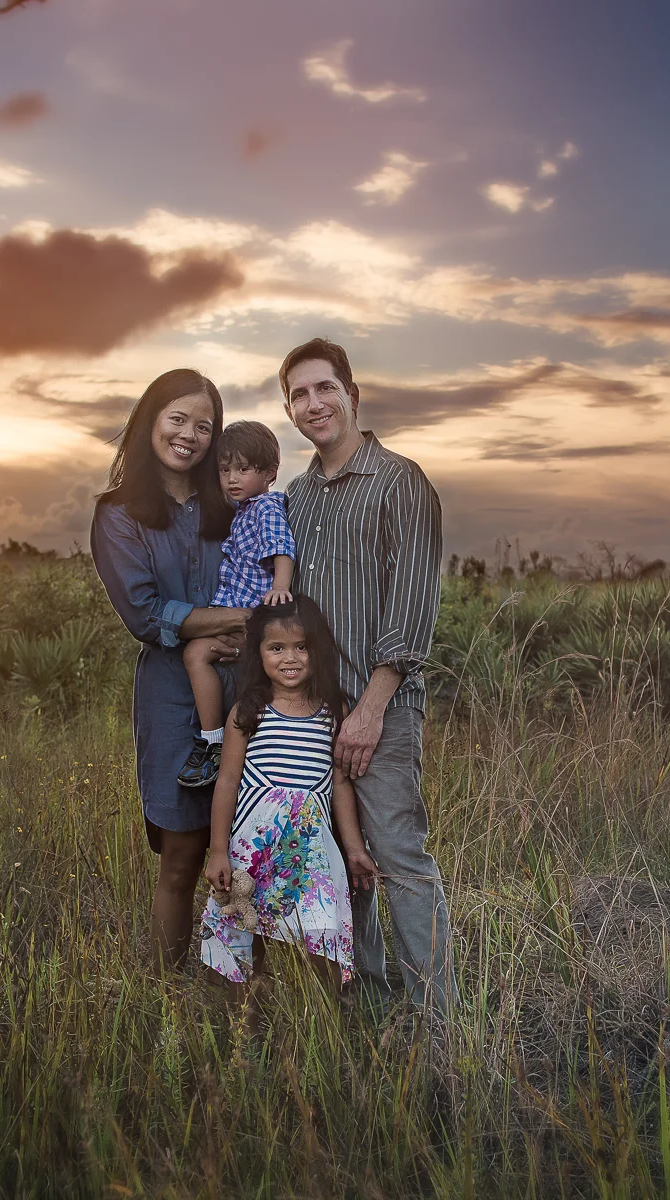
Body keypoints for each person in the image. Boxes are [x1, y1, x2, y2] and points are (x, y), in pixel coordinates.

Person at [279, 337, 456, 1016]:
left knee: (400, 860)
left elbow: (412, 608)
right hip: (311, 715)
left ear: (352, 396)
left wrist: (371, 708)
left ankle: (438, 1028)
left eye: (324, 388)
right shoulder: (298, 496)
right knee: (338, 867)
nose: (313, 403)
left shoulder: (400, 482)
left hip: (379, 710)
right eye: (298, 393)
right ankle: (369, 1010)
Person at [90, 369, 251, 968]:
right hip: (172, 701)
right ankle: (165, 997)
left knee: (253, 846)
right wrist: (240, 616)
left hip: (250, 691)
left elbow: (270, 572)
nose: (190, 435)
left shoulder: (233, 505)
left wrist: (254, 631)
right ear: (149, 422)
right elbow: (146, 614)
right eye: (178, 419)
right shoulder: (119, 514)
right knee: (181, 857)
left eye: (204, 425)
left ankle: (244, 994)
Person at [199, 597, 378, 994]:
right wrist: (217, 850)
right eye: (276, 648)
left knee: (320, 934)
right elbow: (227, 781)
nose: (290, 658)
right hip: (254, 846)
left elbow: (340, 784)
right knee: (240, 934)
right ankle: (242, 1031)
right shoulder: (249, 710)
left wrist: (352, 849)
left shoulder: (333, 710)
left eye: (302, 646)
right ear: (258, 653)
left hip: (310, 848)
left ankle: (322, 1022)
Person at [177, 420, 296, 790]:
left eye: (243, 469)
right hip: (231, 616)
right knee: (198, 656)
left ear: (270, 473)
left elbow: (282, 549)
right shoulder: (242, 510)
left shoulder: (266, 508)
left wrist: (279, 588)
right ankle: (213, 741)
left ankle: (227, 746)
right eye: (225, 469)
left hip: (250, 616)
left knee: (219, 667)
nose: (232, 478)